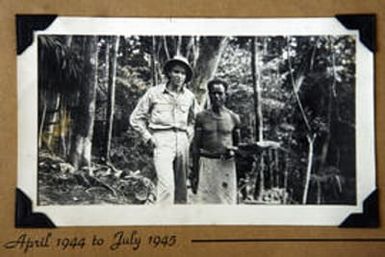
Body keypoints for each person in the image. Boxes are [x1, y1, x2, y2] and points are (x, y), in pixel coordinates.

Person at [129, 56, 198, 204]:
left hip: (182, 140)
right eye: (176, 72)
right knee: (166, 186)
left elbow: (194, 119)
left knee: (181, 186)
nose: (179, 76)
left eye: (183, 73)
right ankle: (162, 220)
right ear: (169, 73)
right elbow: (136, 118)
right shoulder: (154, 93)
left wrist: (189, 134)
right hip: (162, 138)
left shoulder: (190, 97)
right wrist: (148, 137)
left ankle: (179, 221)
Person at [191, 79, 241, 204]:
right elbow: (196, 147)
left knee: (226, 204)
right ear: (209, 95)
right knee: (204, 204)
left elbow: (238, 147)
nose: (216, 96)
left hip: (226, 165)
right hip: (206, 163)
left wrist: (234, 153)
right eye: (213, 93)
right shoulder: (201, 117)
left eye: (220, 93)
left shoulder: (234, 118)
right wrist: (195, 173)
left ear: (226, 95)